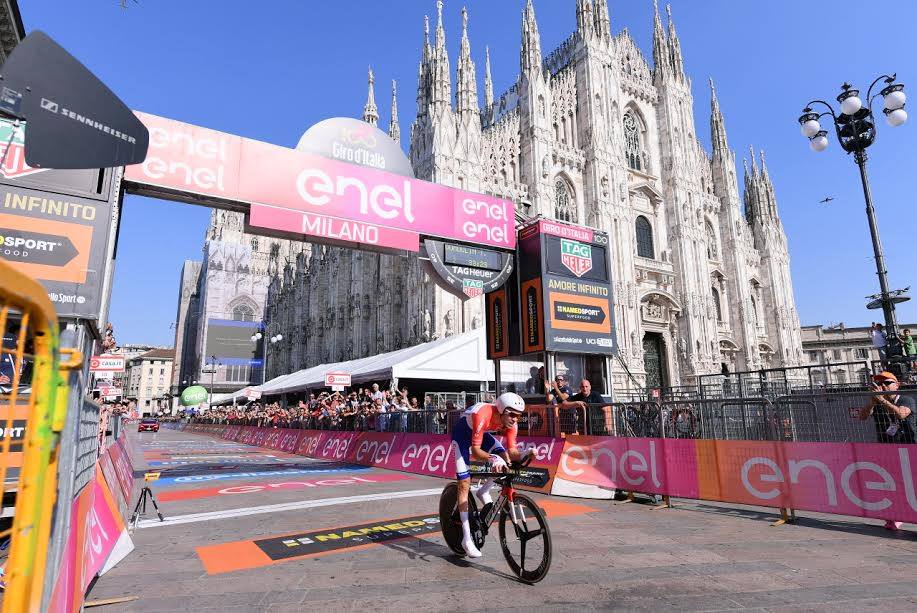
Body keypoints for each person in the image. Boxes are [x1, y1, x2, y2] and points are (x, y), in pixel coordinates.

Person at [450, 392, 533, 558]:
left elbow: (512, 452)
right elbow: (475, 451)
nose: (515, 419)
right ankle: (466, 539)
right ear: (501, 410)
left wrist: (527, 453)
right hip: (462, 435)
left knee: (505, 460)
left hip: (480, 435)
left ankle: (483, 491)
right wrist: (493, 458)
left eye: (518, 416)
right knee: (464, 482)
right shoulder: (483, 413)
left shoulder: (512, 425)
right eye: (512, 415)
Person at [858, 371, 916, 444]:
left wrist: (881, 399)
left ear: (897, 385)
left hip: (908, 442)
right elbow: (862, 417)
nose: (883, 385)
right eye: (879, 383)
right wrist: (872, 402)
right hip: (886, 444)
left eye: (887, 383)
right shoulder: (877, 402)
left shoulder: (906, 400)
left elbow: (901, 414)